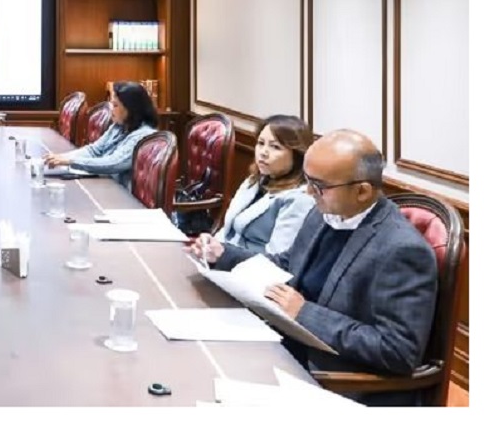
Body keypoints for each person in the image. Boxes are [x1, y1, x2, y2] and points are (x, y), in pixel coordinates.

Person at [190, 130, 438, 406]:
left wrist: (304, 312)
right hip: (284, 347)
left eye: (318, 185)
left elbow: (398, 351)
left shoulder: (402, 249)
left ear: (362, 191)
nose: (308, 192)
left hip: (335, 380)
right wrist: (225, 255)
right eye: (308, 181)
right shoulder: (325, 213)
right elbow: (288, 265)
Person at [212, 115, 316, 255]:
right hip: (222, 257)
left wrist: (223, 254)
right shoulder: (255, 180)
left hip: (250, 265)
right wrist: (209, 245)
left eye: (275, 147)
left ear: (297, 155)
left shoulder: (300, 198)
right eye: (261, 143)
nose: (263, 152)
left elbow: (276, 257)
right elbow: (228, 230)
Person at [43, 81, 158, 189]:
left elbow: (113, 163)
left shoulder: (143, 135)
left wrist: (71, 161)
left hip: (120, 194)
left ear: (131, 109)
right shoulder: (119, 126)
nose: (111, 110)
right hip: (105, 184)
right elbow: (94, 150)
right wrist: (61, 158)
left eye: (115, 105)